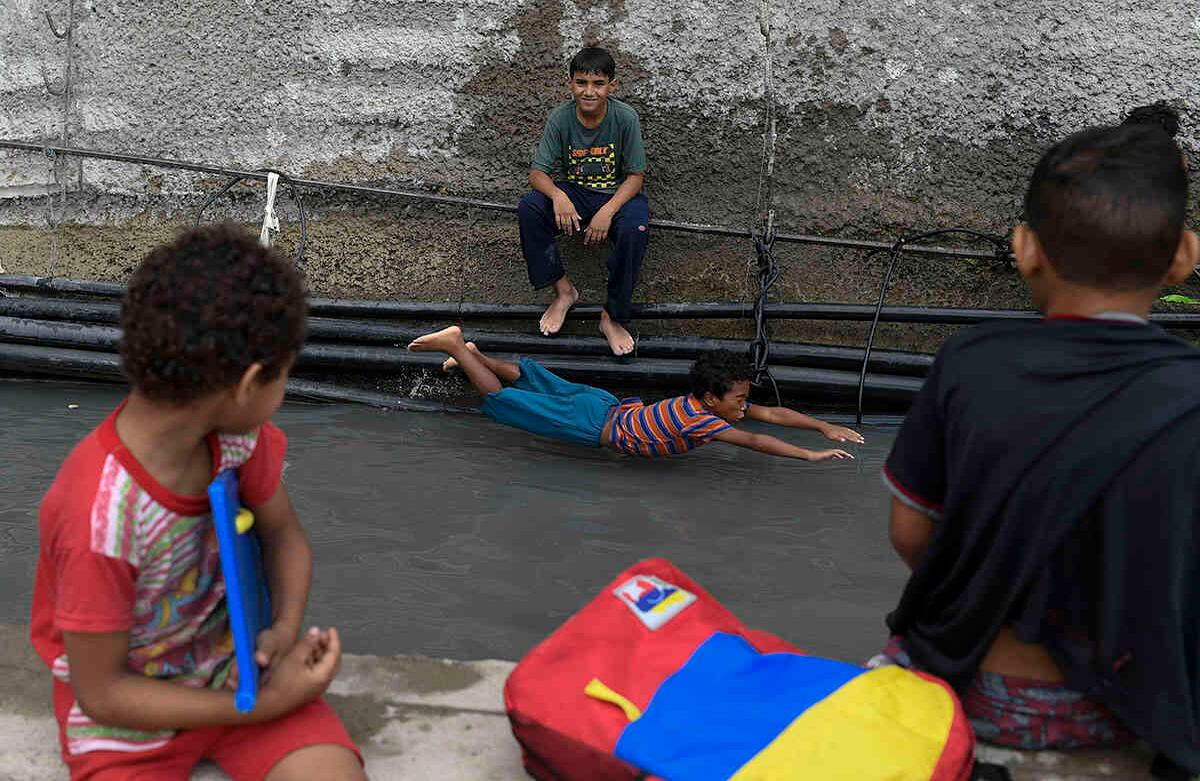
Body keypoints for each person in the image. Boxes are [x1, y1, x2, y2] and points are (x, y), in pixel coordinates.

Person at [875, 122, 1200, 773]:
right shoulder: (1190, 393)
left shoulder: (969, 363)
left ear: (1024, 248)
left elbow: (910, 531)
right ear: (1183, 257)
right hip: (1131, 704)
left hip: (965, 680)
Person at [28, 224, 365, 780]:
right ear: (249, 382)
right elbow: (103, 692)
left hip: (233, 675)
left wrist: (281, 632)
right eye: (285, 373)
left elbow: (285, 537)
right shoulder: (101, 519)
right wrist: (265, 705)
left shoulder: (237, 441)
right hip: (127, 726)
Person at [407, 325, 862, 460]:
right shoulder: (702, 420)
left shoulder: (701, 405)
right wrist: (809, 455)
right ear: (711, 400)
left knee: (533, 379)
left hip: (604, 404)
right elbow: (759, 439)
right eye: (739, 400)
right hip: (591, 424)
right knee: (504, 403)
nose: (746, 406)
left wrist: (822, 426)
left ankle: (471, 352)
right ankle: (456, 347)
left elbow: (772, 416)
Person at [518, 45, 649, 357]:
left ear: (611, 86)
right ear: (570, 84)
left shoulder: (624, 118)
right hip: (575, 192)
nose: (589, 92)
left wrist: (607, 211)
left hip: (616, 196)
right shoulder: (560, 119)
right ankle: (564, 292)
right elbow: (538, 173)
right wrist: (558, 195)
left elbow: (635, 176)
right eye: (581, 83)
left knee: (636, 228)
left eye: (598, 84)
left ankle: (612, 316)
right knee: (530, 208)